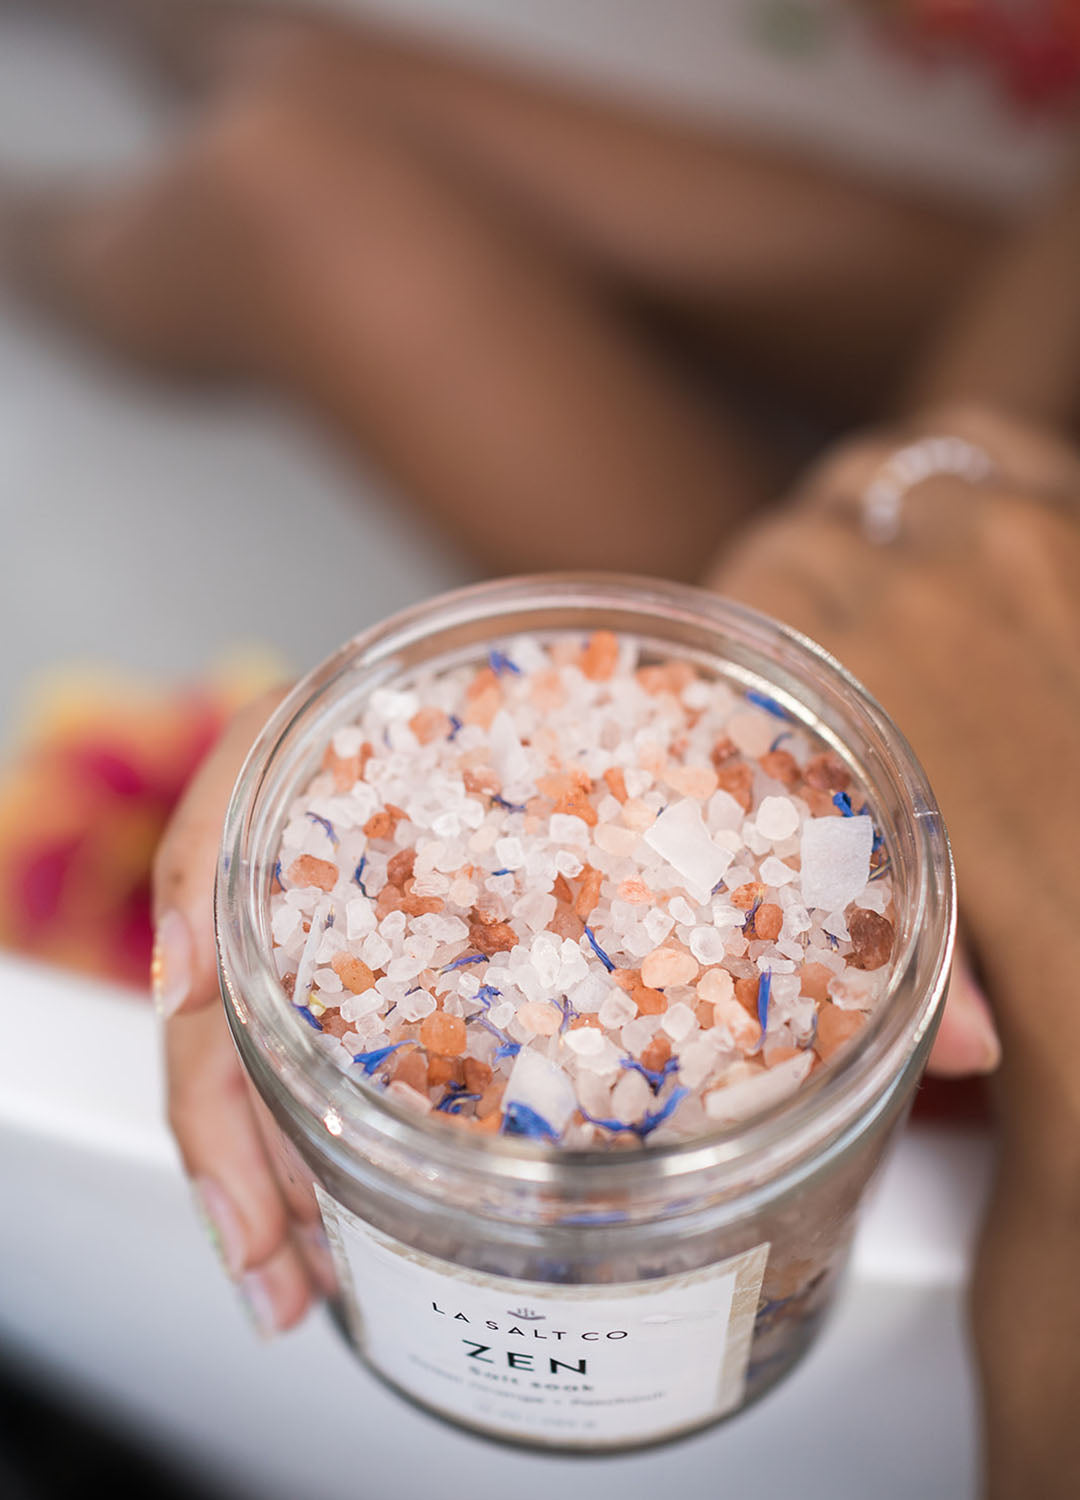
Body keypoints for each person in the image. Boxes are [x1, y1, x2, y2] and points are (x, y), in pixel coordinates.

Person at [4, 5, 1078, 1496]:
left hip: (984, 832)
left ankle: (45, 234)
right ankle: (166, 53)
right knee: (299, 115)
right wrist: (906, 513)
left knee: (279, 189)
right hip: (992, 534)